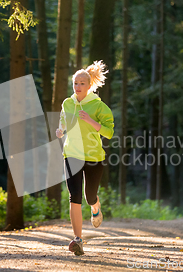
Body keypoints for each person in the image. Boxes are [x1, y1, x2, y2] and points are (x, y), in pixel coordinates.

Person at [55, 60, 114, 256]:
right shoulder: (67, 102)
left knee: (89, 196)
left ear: (89, 86)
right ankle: (78, 239)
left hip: (93, 156)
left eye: (82, 83)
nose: (78, 87)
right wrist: (61, 130)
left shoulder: (98, 106)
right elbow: (64, 119)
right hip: (71, 154)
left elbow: (109, 132)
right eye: (75, 83)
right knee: (75, 197)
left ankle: (95, 206)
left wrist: (90, 120)